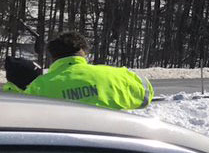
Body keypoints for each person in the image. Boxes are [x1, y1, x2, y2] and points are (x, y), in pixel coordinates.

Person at [24, 32, 154, 110]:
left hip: (62, 146)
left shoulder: (39, 87)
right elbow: (145, 95)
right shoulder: (118, 76)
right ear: (83, 52)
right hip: (109, 144)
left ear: (52, 56)